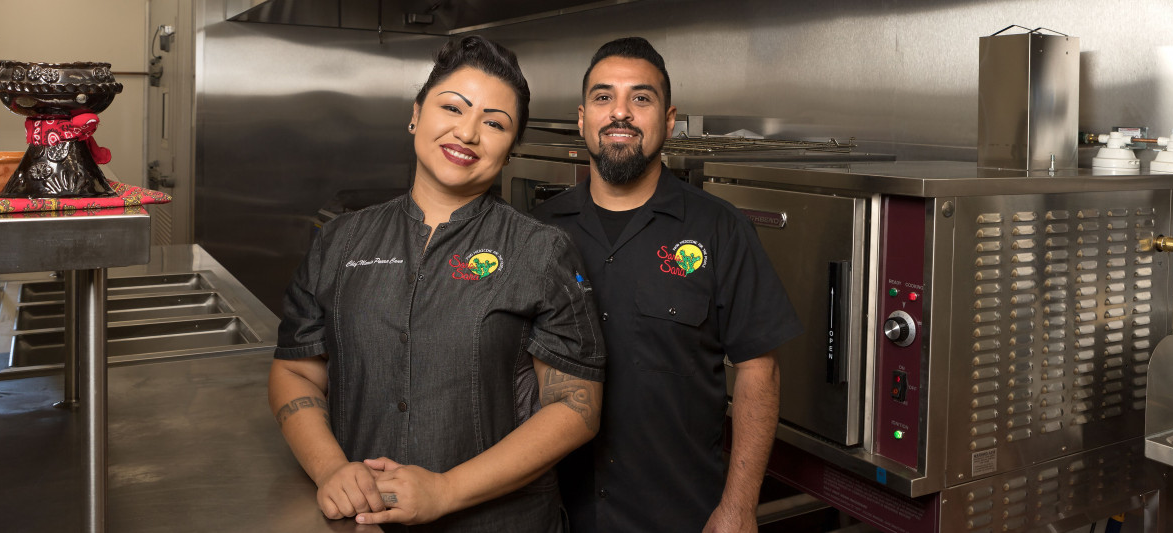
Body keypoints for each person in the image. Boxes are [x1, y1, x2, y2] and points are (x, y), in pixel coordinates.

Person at [269, 35, 605, 532]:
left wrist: (445, 491)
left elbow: (576, 408)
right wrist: (332, 470)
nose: (468, 132)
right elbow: (295, 373)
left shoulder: (541, 251)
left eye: (494, 123)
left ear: (510, 150)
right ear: (416, 114)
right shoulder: (340, 241)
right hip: (365, 520)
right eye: (453, 107)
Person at [532, 37, 803, 533]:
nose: (620, 113)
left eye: (641, 98)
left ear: (669, 118)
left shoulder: (720, 229)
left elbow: (758, 370)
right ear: (581, 118)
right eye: (603, 97)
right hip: (556, 514)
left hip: (679, 514)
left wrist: (740, 506)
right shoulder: (540, 232)